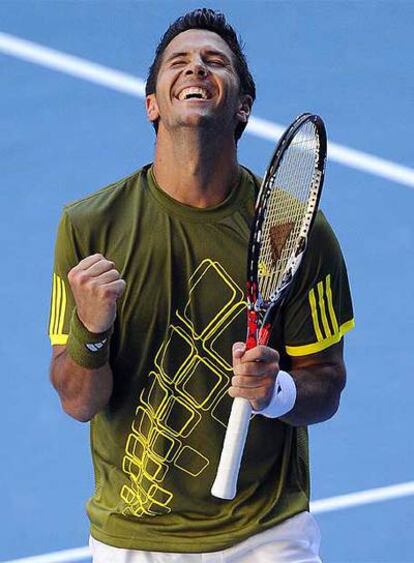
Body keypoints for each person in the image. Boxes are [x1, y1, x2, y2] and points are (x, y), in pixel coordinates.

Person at [48, 8, 354, 563]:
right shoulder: (88, 227)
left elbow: (326, 384)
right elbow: (77, 401)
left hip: (267, 532)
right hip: (133, 537)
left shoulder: (295, 228)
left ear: (242, 106)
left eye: (215, 62)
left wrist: (274, 391)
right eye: (179, 62)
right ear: (153, 103)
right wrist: (91, 331)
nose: (196, 68)